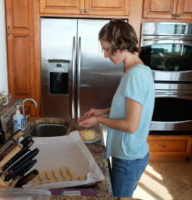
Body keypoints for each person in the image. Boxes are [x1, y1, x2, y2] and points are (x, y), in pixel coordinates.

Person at [78, 19, 155, 198]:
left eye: (106, 49)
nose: (105, 55)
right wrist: (102, 111)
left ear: (120, 44)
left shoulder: (136, 75)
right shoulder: (134, 70)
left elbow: (130, 125)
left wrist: (98, 120)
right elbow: (129, 108)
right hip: (129, 154)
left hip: (128, 159)